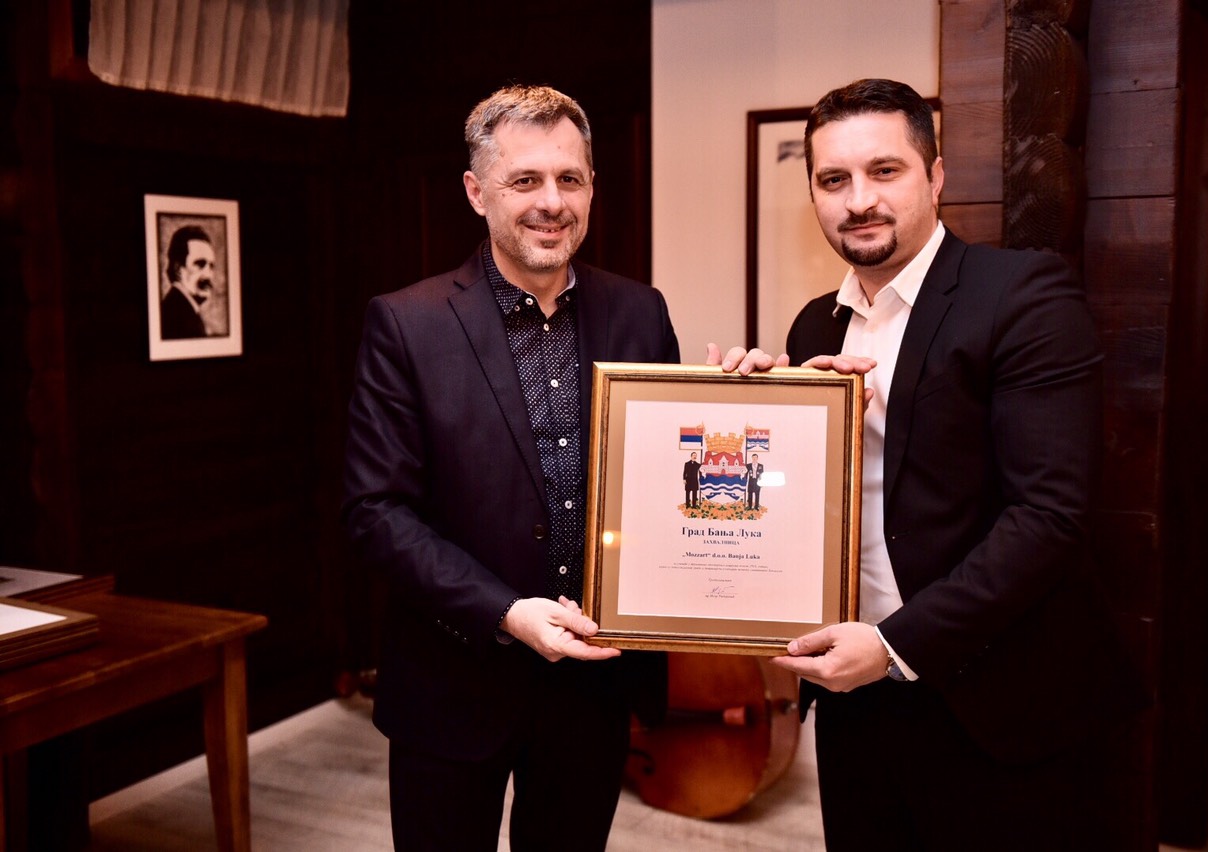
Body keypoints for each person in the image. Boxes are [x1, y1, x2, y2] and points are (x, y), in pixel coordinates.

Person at [713, 78, 1143, 850]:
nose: (859, 200)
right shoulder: (816, 325)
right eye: (833, 180)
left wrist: (894, 646)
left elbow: (1048, 518)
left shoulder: (1023, 297)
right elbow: (815, 507)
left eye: (885, 171)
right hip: (858, 704)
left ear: (936, 175)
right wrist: (756, 421)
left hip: (1003, 705)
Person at [342, 84, 680, 851]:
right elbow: (374, 514)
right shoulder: (407, 323)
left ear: (592, 187)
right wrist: (505, 611)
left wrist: (743, 408)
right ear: (477, 192)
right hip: (452, 680)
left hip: (593, 684)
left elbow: (666, 476)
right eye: (525, 180)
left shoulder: (641, 312)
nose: (551, 202)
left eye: (569, 179)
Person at [160, 224, 214, 339]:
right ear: (178, 269)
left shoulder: (186, 312)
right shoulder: (174, 316)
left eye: (211, 266)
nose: (208, 275)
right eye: (200, 264)